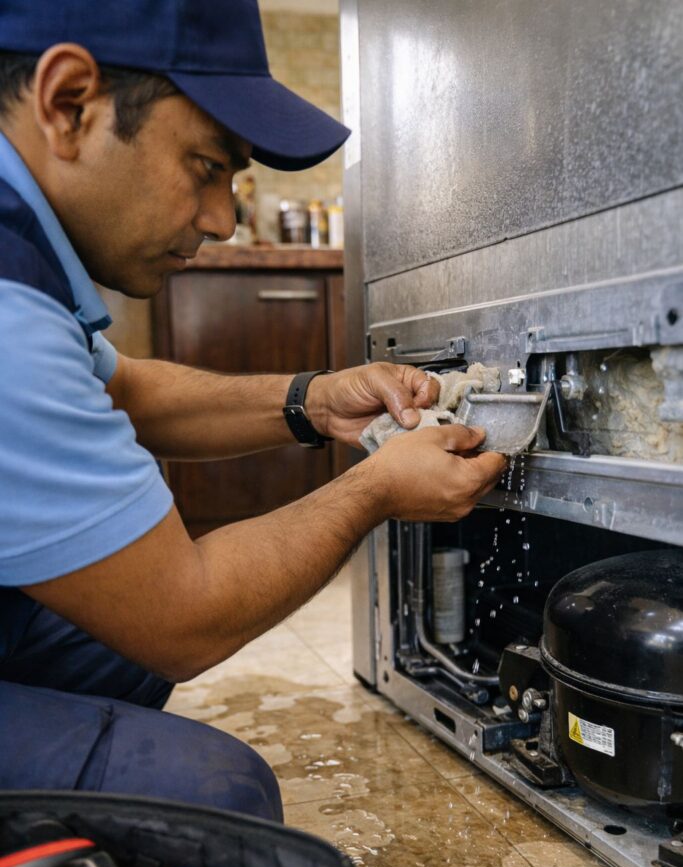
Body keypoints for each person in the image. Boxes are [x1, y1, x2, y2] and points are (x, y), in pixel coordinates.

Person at [0, 0, 506, 820]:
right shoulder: (6, 316)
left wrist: (312, 401)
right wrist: (376, 489)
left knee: (118, 643)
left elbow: (122, 390)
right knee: (216, 796)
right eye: (206, 166)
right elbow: (186, 618)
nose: (223, 222)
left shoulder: (19, 242)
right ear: (69, 104)